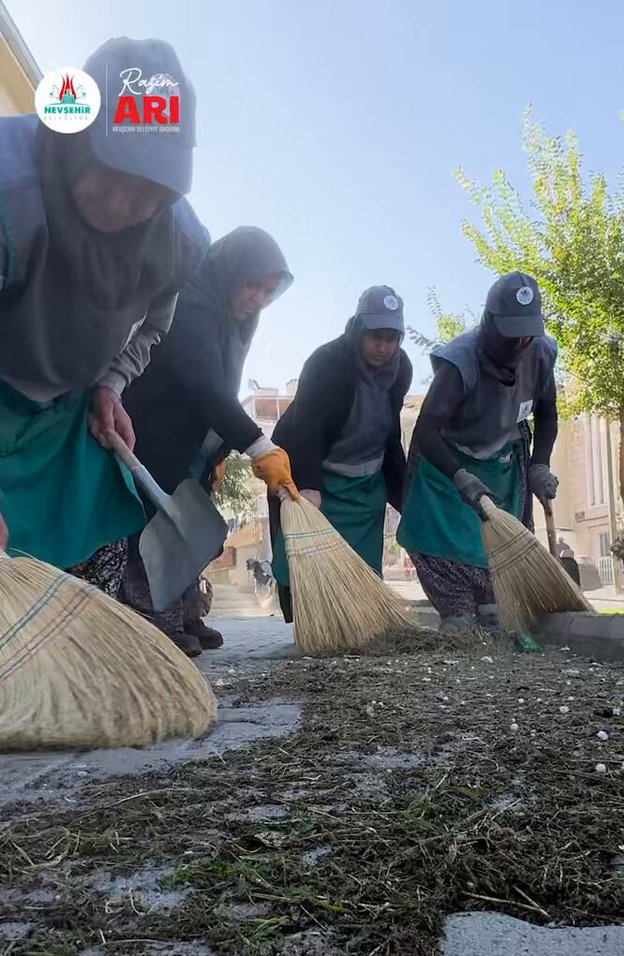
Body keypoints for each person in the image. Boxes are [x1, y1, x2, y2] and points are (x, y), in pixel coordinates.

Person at [0, 38, 208, 596]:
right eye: (109, 173)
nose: (121, 205)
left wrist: (110, 385)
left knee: (100, 545)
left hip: (65, 410)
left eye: (147, 192)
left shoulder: (178, 242)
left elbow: (151, 326)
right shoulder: (9, 189)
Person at [121, 227, 297, 655]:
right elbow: (199, 379)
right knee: (156, 525)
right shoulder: (194, 298)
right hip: (152, 426)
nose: (257, 297)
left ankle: (184, 612)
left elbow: (222, 383)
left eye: (267, 290)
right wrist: (258, 444)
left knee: (196, 529)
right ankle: (150, 620)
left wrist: (218, 448)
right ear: (229, 272)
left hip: (192, 441)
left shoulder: (239, 320)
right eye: (251, 284)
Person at [397, 272, 559, 630]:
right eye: (510, 334)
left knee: (494, 567)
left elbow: (547, 415)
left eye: (527, 334)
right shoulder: (460, 362)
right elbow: (427, 430)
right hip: (447, 467)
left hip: (502, 467)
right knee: (447, 552)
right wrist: (460, 477)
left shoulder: (542, 354)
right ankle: (457, 619)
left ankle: (492, 616)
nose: (519, 343)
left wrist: (540, 465)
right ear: (488, 324)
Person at [270, 286, 412, 621]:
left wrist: (405, 495)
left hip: (366, 480)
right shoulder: (327, 362)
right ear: (359, 329)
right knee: (308, 563)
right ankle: (316, 621)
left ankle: (360, 622)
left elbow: (390, 431)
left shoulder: (401, 369)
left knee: (361, 569)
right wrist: (307, 486)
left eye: (392, 338)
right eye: (376, 336)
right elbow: (307, 427)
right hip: (319, 474)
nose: (383, 346)